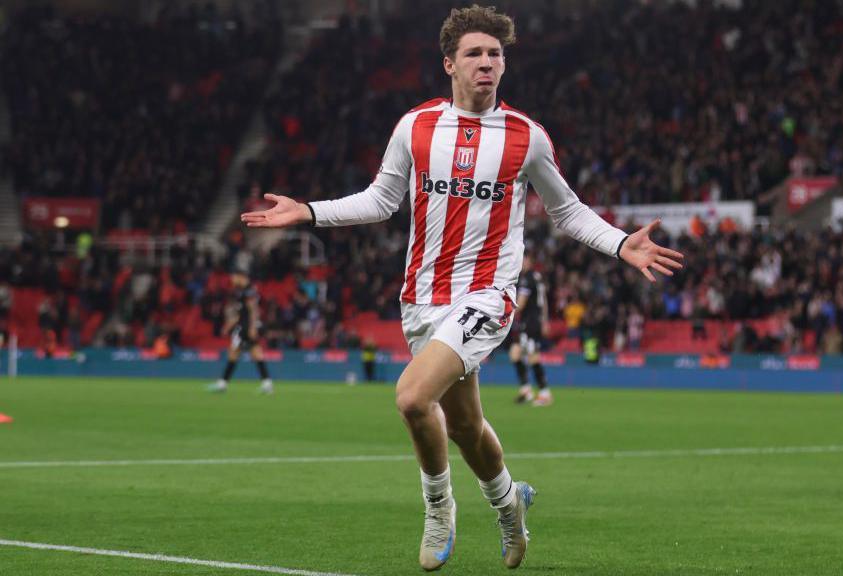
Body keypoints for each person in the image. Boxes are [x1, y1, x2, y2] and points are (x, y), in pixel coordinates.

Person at [240, 5, 684, 570]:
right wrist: (308, 211)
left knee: (410, 398)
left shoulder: (527, 138)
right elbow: (381, 200)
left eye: (495, 54)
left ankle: (438, 507)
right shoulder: (416, 126)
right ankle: (509, 507)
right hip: (421, 299)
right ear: (449, 63)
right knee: (468, 427)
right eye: (474, 53)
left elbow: (567, 212)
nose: (486, 63)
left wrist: (623, 244)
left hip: (486, 296)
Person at [208, 268, 274, 394]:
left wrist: (252, 327)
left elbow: (253, 310)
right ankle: (267, 383)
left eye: (233, 277)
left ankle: (222, 383)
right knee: (256, 353)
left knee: (234, 353)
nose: (232, 279)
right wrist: (229, 325)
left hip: (245, 327)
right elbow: (242, 313)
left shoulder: (248, 291)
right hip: (245, 325)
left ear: (240, 277)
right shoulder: (242, 291)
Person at [510, 251, 551, 406]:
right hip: (533, 321)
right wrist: (545, 321)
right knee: (515, 353)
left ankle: (544, 393)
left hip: (530, 323)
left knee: (533, 356)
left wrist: (505, 314)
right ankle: (526, 390)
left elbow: (521, 303)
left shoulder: (527, 279)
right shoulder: (537, 277)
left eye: (523, 259)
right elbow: (544, 301)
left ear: (528, 260)